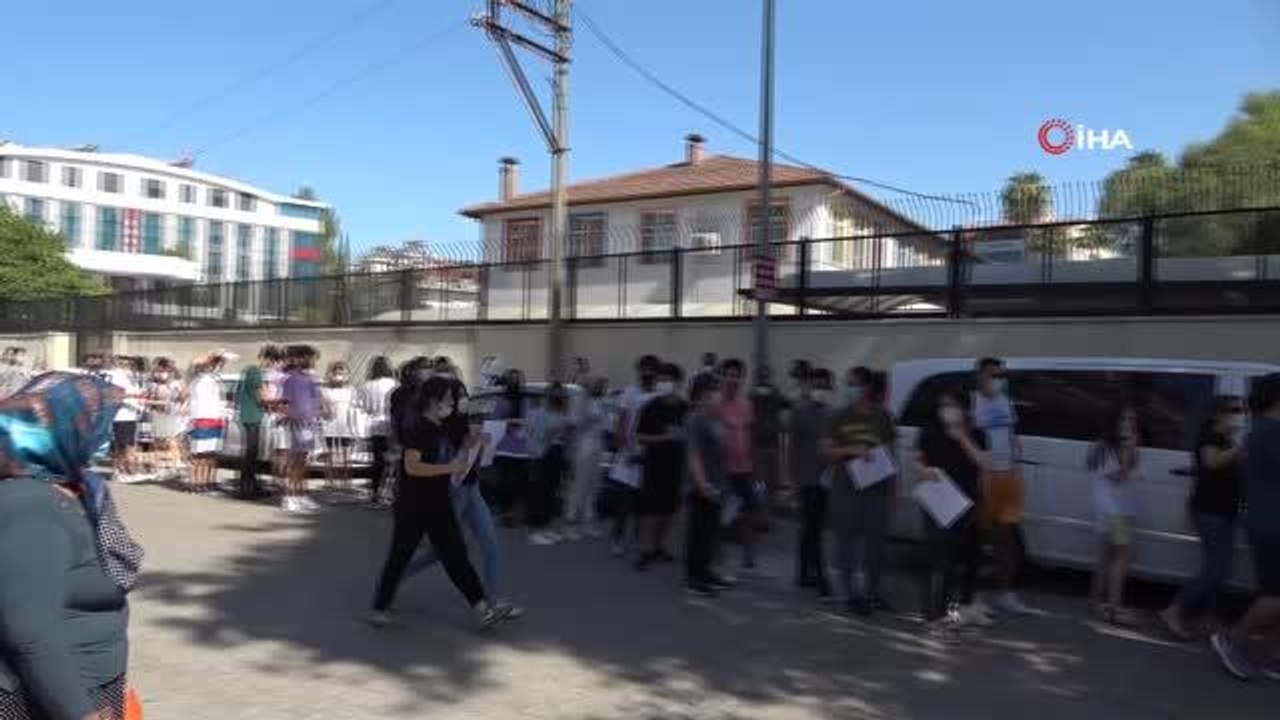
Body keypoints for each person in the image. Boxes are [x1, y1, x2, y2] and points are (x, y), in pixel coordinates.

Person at [0, 372, 145, 720]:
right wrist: (80, 711)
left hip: (91, 682)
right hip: (47, 700)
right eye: (87, 424)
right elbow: (29, 632)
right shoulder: (30, 503)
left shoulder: (73, 489)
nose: (99, 435)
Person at [370, 376, 504, 630]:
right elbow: (412, 467)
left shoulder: (443, 427)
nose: (452, 403)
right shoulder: (417, 429)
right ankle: (380, 606)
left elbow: (458, 449)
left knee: (457, 556)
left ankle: (482, 609)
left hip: (439, 504)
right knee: (400, 555)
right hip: (412, 506)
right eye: (449, 399)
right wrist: (448, 468)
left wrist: (476, 443)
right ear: (434, 401)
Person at [406, 379, 523, 619]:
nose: (460, 400)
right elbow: (447, 459)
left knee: (490, 543)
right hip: (453, 491)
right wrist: (470, 444)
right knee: (443, 550)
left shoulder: (465, 419)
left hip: (471, 488)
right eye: (454, 396)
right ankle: (397, 573)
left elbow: (472, 455)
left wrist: (483, 443)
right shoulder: (439, 424)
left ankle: (495, 601)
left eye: (460, 395)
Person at [1212, 372, 1280, 681]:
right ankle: (1232, 640)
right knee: (1274, 595)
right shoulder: (1269, 432)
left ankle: (1274, 655)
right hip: (1271, 525)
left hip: (1266, 522)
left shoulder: (1261, 430)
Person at [1161, 396, 1247, 640]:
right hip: (1210, 512)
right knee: (1215, 568)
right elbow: (1211, 462)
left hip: (1224, 511)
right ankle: (1175, 610)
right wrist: (1239, 449)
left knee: (1219, 568)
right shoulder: (1209, 436)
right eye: (1233, 410)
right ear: (1217, 414)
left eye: (1240, 410)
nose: (1238, 414)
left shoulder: (1225, 438)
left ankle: (1205, 617)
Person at [914, 390, 991, 632]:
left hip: (965, 505)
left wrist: (962, 438)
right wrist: (923, 471)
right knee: (937, 560)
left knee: (955, 563)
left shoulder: (977, 434)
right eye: (943, 405)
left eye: (953, 405)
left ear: (965, 409)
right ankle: (931, 616)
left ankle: (949, 614)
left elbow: (984, 462)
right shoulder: (929, 432)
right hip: (937, 502)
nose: (947, 410)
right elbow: (917, 461)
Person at [825, 365, 898, 616]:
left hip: (876, 490)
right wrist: (850, 450)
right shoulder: (838, 416)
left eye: (854, 384)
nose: (850, 389)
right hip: (845, 490)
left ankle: (872, 593)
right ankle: (849, 595)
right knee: (846, 544)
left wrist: (893, 491)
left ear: (866, 387)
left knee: (876, 546)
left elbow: (891, 454)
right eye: (848, 384)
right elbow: (826, 450)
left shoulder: (882, 416)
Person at [970, 357, 1035, 615]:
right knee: (978, 540)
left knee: (1006, 538)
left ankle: (1004, 594)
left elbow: (1011, 435)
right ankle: (974, 596)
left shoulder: (1005, 401)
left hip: (1008, 477)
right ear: (980, 376)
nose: (998, 380)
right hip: (984, 478)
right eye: (993, 375)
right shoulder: (971, 402)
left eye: (1001, 375)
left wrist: (1017, 468)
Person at [1087, 402, 1141, 626]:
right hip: (1112, 511)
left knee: (1106, 557)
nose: (1128, 424)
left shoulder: (1124, 445)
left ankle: (1096, 603)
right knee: (1124, 555)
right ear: (1113, 422)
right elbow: (1119, 477)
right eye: (1123, 419)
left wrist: (1130, 449)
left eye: (1131, 420)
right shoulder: (1103, 448)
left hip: (1120, 508)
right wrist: (1128, 451)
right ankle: (1114, 608)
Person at [634, 363, 689, 571]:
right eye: (662, 379)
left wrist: (683, 437)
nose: (664, 383)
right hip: (653, 464)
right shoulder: (650, 407)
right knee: (651, 510)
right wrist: (663, 437)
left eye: (669, 379)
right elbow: (640, 436)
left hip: (676, 464)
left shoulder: (685, 408)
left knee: (669, 509)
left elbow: (692, 435)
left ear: (678, 383)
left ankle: (660, 546)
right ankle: (645, 550)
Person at [685, 372, 733, 597]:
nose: (718, 394)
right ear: (703, 393)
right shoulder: (695, 419)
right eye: (715, 390)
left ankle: (705, 572)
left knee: (711, 532)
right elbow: (693, 455)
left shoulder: (716, 418)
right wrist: (702, 484)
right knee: (699, 533)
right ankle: (693, 578)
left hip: (719, 485)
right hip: (702, 487)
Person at [610, 356, 661, 556]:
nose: (647, 373)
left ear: (656, 373)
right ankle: (617, 539)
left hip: (650, 454)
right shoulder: (629, 392)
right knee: (624, 500)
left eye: (651, 369)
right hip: (629, 453)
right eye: (644, 369)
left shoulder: (659, 395)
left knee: (644, 501)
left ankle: (637, 537)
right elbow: (621, 423)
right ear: (639, 371)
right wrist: (625, 448)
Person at [792, 367, 834, 601]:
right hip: (807, 480)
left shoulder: (834, 414)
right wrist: (793, 481)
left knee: (813, 528)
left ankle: (802, 572)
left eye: (824, 386)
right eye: (816, 386)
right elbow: (793, 449)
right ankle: (821, 578)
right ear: (809, 387)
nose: (820, 390)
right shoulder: (800, 412)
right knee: (813, 528)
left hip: (827, 480)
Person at [717, 358, 759, 569]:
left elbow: (750, 433)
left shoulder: (746, 404)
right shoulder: (715, 404)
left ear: (741, 379)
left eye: (736, 375)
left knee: (748, 509)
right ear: (722, 377)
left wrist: (753, 464)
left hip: (743, 468)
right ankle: (718, 552)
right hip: (721, 470)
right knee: (723, 512)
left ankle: (748, 553)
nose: (732, 379)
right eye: (728, 375)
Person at [527, 382, 574, 545]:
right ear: (547, 395)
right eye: (555, 393)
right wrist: (550, 435)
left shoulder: (563, 413)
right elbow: (534, 436)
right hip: (542, 455)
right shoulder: (538, 413)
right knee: (540, 492)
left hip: (557, 454)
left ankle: (546, 527)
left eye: (561, 394)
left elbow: (568, 434)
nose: (558, 397)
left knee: (552, 492)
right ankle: (535, 530)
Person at [564, 376, 609, 539]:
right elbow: (573, 424)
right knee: (579, 486)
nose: (602, 388)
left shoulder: (601, 402)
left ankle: (587, 522)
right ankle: (570, 523)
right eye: (599, 385)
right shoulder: (579, 400)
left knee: (593, 486)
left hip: (598, 445)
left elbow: (606, 425)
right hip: (583, 446)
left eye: (604, 386)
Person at [281, 346, 322, 514]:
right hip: (298, 425)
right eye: (308, 357)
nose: (311, 361)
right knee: (295, 461)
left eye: (312, 358)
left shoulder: (310, 380)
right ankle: (289, 497)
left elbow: (314, 401)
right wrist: (293, 416)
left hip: (310, 426)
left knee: (304, 462)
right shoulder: (291, 380)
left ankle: (300, 495)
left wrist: (319, 414)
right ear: (299, 359)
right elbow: (285, 404)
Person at [234, 346, 278, 500]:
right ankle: (246, 488)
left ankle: (251, 485)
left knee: (253, 452)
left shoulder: (251, 371)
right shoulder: (255, 371)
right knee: (251, 453)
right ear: (265, 358)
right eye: (271, 361)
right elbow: (261, 397)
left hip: (252, 415)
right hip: (252, 416)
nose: (271, 365)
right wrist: (277, 402)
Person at [490, 369, 532, 527]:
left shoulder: (524, 400)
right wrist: (510, 421)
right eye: (512, 379)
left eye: (517, 379)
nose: (515, 382)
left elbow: (529, 420)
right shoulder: (501, 401)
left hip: (521, 449)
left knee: (519, 483)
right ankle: (505, 515)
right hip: (504, 448)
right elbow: (494, 420)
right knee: (505, 484)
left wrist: (521, 423)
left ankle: (515, 514)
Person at [358, 356, 398, 505]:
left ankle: (375, 492)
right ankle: (390, 492)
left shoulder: (367, 386)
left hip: (374, 425)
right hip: (392, 424)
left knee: (377, 461)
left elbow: (362, 407)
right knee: (393, 460)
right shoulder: (395, 384)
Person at [751, 365, 790, 517]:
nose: (764, 378)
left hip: (773, 444)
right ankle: (761, 512)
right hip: (757, 446)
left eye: (766, 376)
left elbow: (788, 405)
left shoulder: (776, 395)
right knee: (759, 482)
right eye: (761, 376)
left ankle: (768, 511)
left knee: (772, 481)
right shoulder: (751, 396)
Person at [187, 352, 228, 495]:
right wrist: (209, 357)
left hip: (216, 420)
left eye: (221, 365)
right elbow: (193, 364)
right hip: (201, 420)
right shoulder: (197, 380)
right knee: (199, 455)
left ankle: (206, 483)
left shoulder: (216, 380)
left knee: (211, 455)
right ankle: (195, 484)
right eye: (217, 364)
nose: (219, 367)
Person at [106, 355, 145, 484]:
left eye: (128, 363)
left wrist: (139, 399)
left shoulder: (129, 376)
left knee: (129, 445)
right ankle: (117, 472)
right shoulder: (116, 375)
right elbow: (114, 394)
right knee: (122, 446)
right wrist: (134, 396)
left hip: (131, 415)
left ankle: (126, 470)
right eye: (122, 362)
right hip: (121, 416)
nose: (127, 365)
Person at [146, 357, 186, 482]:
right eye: (160, 370)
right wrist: (153, 402)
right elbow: (148, 399)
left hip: (171, 416)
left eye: (166, 370)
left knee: (171, 441)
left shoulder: (177, 383)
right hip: (157, 415)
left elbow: (184, 398)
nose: (162, 373)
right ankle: (157, 468)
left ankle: (175, 466)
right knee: (157, 441)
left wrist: (179, 406)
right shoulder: (153, 384)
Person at [321, 361, 358, 492]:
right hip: (330, 425)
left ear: (347, 374)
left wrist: (356, 427)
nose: (339, 376)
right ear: (331, 374)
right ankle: (330, 482)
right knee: (331, 455)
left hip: (346, 425)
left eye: (342, 373)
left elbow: (356, 408)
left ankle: (346, 482)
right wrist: (324, 410)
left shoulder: (352, 390)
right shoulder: (325, 390)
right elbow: (321, 407)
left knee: (346, 455)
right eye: (336, 373)